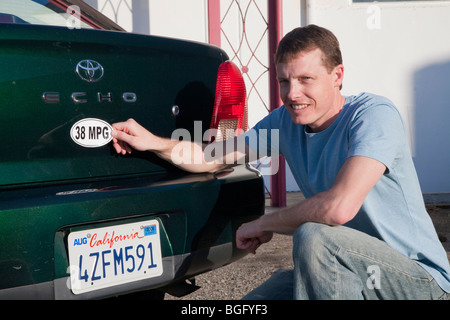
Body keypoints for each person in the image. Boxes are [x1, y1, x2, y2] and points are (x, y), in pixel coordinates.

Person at [111, 24, 450, 300]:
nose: (292, 94)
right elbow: (209, 157)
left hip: (417, 283)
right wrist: (151, 141)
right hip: (347, 274)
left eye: (306, 79)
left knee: (316, 237)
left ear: (337, 75)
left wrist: (265, 222)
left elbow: (338, 209)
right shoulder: (284, 123)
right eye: (285, 81)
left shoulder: (373, 115)